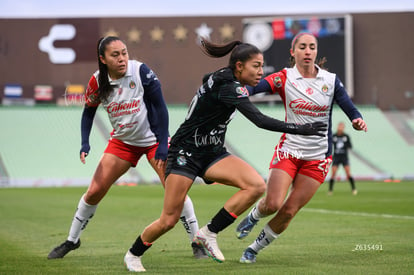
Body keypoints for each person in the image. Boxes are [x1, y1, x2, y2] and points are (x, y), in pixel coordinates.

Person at [122, 38, 327, 272]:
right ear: (239, 66)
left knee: (255, 185)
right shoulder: (230, 87)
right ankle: (133, 254)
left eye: (262, 66)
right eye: (256, 66)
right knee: (168, 219)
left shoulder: (221, 75)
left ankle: (208, 233)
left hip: (212, 152)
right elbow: (259, 120)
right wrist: (301, 128)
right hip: (185, 153)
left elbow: (206, 80)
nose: (261, 72)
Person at [47, 36, 207, 260]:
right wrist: (85, 142)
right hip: (122, 143)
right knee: (94, 191)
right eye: (115, 55)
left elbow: (161, 108)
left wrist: (162, 143)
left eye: (124, 53)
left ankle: (197, 243)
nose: (122, 58)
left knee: (175, 190)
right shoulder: (96, 82)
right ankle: (72, 241)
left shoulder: (141, 72)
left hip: (153, 140)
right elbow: (88, 113)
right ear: (103, 59)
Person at [235, 31, 368, 264]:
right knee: (273, 203)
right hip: (290, 151)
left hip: (318, 158)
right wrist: (239, 92)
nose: (308, 51)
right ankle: (255, 214)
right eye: (302, 47)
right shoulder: (284, 78)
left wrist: (356, 119)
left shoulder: (330, 80)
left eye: (312, 47)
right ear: (293, 52)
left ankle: (253, 249)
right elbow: (255, 88)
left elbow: (347, 104)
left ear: (316, 51)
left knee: (288, 211)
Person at [328, 122, 357, 195]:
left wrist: (346, 145)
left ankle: (354, 189)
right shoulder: (334, 136)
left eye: (342, 126)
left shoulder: (346, 136)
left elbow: (350, 146)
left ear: (343, 128)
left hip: (344, 157)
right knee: (333, 173)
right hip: (336, 157)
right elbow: (330, 145)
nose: (340, 128)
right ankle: (330, 190)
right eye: (339, 126)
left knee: (348, 173)